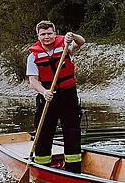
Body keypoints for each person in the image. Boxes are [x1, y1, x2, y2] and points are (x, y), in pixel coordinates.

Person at [26, 20, 86, 173]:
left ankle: (73, 169)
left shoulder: (65, 46)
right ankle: (42, 167)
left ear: (54, 33)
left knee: (71, 132)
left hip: (68, 96)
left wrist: (72, 36)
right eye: (43, 34)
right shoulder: (33, 57)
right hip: (48, 97)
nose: (46, 37)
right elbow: (33, 81)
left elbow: (81, 42)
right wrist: (44, 92)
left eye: (49, 33)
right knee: (44, 133)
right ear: (38, 36)